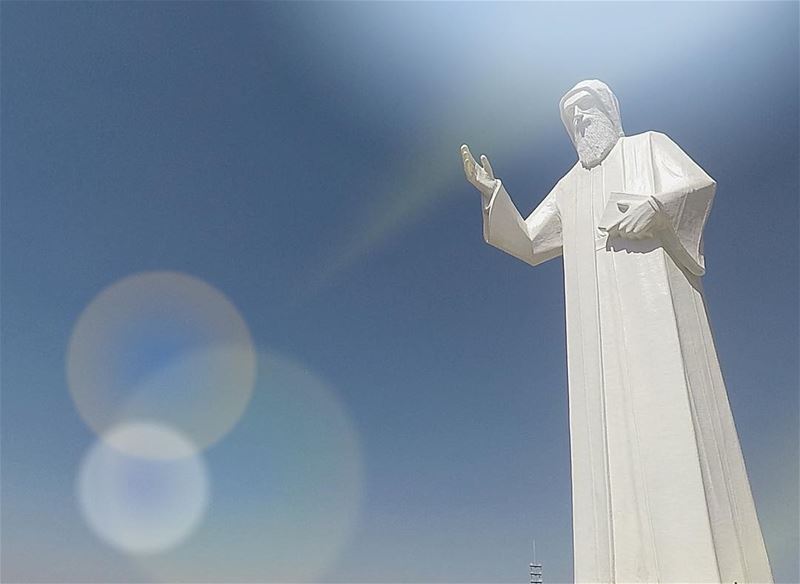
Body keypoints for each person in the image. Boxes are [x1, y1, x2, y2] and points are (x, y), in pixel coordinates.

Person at [461, 79, 773, 584]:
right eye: (572, 118)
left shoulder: (648, 146)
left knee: (674, 430)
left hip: (658, 319)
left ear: (610, 111)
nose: (581, 122)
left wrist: (658, 206)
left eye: (588, 110)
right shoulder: (569, 188)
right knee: (605, 457)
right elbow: (528, 243)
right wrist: (494, 194)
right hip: (596, 336)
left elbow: (697, 186)